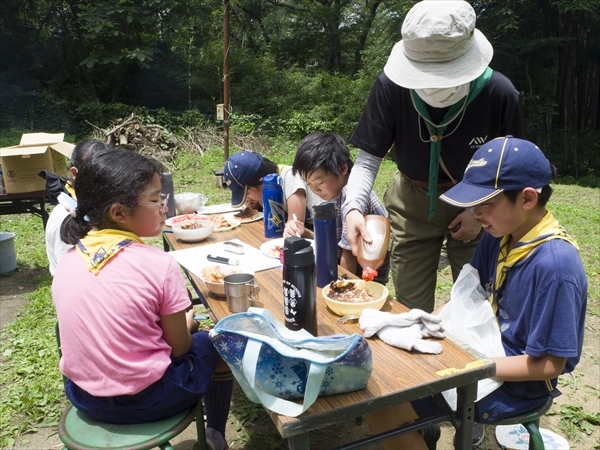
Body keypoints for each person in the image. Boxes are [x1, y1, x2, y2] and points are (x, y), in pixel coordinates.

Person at [365, 136, 588, 449]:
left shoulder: (555, 268)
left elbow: (549, 366)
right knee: (383, 379)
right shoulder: (500, 233)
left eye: (485, 204)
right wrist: (428, 323)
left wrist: (468, 366)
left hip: (516, 384)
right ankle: (416, 431)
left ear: (526, 199)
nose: (475, 213)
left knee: (383, 402)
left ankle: (412, 428)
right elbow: (467, 295)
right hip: (480, 348)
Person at [342, 0, 526, 314]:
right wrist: (352, 208)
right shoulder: (391, 87)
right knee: (409, 307)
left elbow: (512, 170)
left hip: (479, 205)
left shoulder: (499, 94)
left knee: (479, 303)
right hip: (412, 202)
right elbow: (369, 158)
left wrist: (477, 212)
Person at [52, 148, 231, 450]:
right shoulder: (158, 265)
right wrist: (188, 324)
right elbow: (180, 348)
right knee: (217, 340)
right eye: (155, 198)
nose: (164, 206)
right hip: (150, 400)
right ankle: (214, 434)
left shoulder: (69, 258)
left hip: (83, 396)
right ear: (118, 212)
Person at [287, 131, 390, 284]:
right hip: (353, 270)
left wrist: (339, 285)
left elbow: (348, 256)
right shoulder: (336, 195)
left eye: (320, 183)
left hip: (366, 276)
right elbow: (334, 243)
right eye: (309, 185)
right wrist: (305, 232)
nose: (315, 190)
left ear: (342, 169)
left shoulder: (352, 198)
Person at [45, 139, 113, 276]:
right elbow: (69, 274)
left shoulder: (94, 206)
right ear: (75, 173)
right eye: (96, 173)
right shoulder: (65, 216)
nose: (106, 180)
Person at [222, 150, 323, 236]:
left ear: (261, 182)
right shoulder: (266, 186)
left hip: (320, 234)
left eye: (247, 194)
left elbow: (294, 229)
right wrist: (257, 204)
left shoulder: (290, 178)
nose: (246, 199)